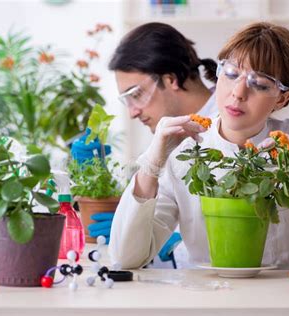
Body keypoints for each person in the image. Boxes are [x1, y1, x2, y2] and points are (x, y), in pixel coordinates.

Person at [108, 22, 289, 270]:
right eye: (231, 74)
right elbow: (126, 258)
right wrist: (151, 165)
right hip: (207, 297)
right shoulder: (181, 150)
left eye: (259, 84)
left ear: (282, 98)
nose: (238, 92)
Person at [83, 22, 220, 267]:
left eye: (136, 94)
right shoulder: (170, 138)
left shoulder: (234, 122)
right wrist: (135, 219)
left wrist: (179, 244)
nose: (133, 112)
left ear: (170, 79)